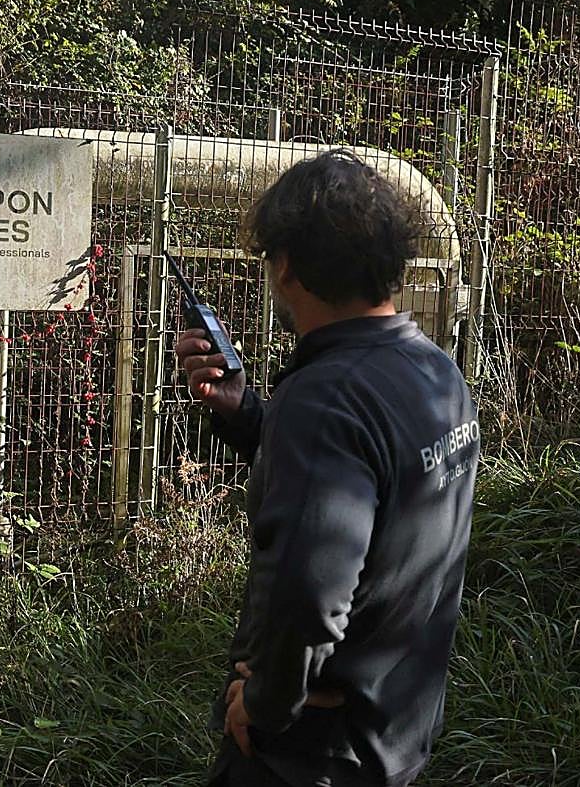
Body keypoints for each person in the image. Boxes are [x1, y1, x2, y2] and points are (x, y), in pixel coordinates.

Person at [175, 149, 479, 787]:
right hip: (395, 733)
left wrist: (263, 709)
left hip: (306, 758)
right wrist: (248, 416)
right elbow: (373, 492)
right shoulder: (434, 372)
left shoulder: (322, 400)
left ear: (285, 266)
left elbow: (313, 597)